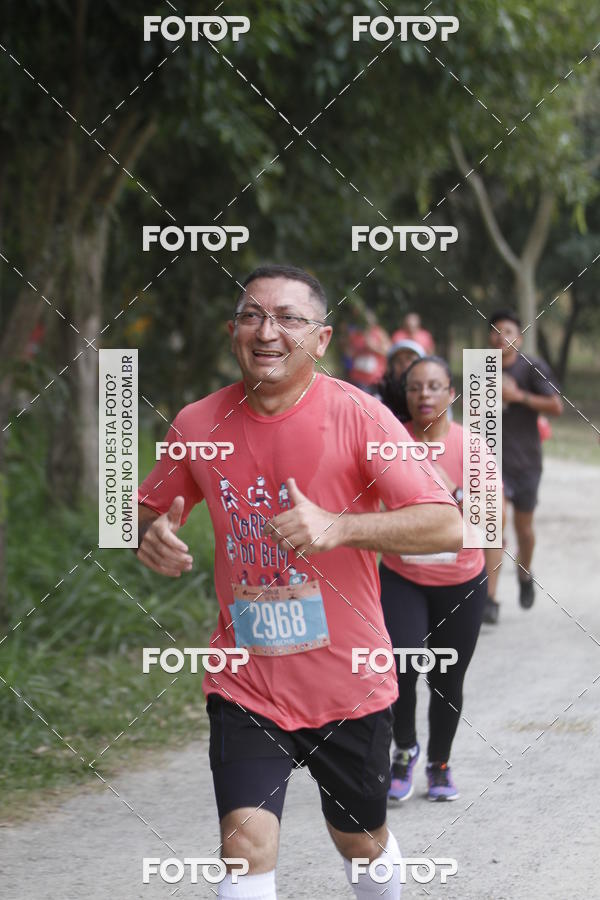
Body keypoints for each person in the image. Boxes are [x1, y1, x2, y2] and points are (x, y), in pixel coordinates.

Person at [135, 264, 462, 900]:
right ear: (234, 331)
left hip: (348, 680)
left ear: (321, 338)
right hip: (246, 679)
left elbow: (447, 526)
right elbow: (143, 510)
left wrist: (340, 528)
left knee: (360, 842)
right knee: (244, 845)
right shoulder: (198, 424)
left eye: (288, 318)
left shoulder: (361, 417)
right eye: (253, 316)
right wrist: (146, 533)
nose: (267, 331)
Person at [378, 356, 487, 803]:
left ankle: (439, 765)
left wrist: (452, 492)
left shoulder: (473, 447)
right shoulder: (390, 440)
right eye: (416, 387)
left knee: (447, 676)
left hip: (461, 579)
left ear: (451, 394)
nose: (424, 395)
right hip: (403, 575)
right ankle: (403, 750)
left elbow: (487, 523)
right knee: (401, 667)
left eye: (435, 387)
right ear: (406, 395)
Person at [483, 311, 563, 624]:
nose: (500, 336)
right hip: (490, 463)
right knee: (491, 529)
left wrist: (518, 396)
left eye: (507, 331)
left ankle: (524, 574)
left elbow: (556, 406)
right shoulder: (481, 367)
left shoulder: (532, 367)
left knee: (524, 531)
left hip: (526, 463)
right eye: (495, 331)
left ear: (519, 337)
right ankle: (489, 598)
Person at [346, 308, 391, 394]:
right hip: (359, 380)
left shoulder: (379, 333)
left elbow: (388, 351)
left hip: (376, 380)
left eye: (368, 319)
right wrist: (361, 350)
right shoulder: (355, 334)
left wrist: (374, 348)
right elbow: (349, 353)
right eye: (363, 319)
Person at [376, 340, 425, 419]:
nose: (404, 364)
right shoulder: (380, 400)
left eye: (409, 358)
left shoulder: (433, 398)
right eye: (398, 360)